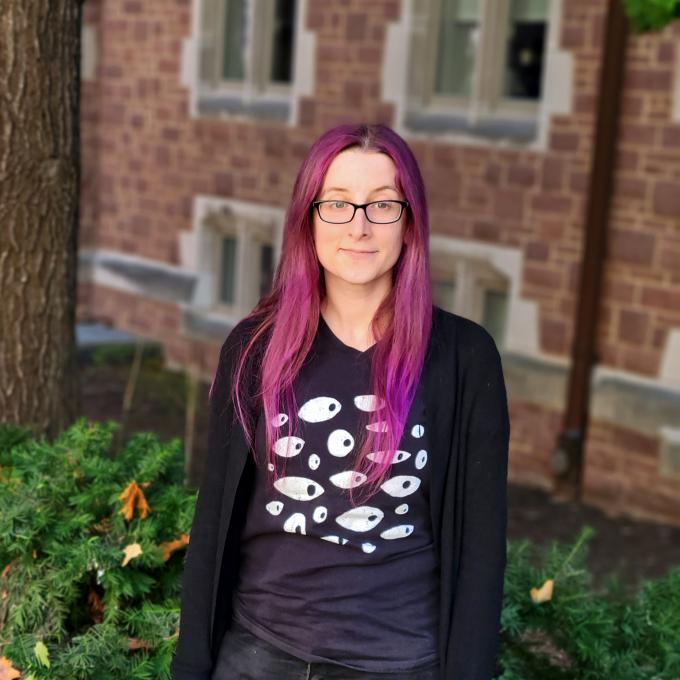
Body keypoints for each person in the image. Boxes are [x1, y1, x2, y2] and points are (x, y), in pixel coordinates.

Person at [170, 123, 510, 680]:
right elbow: (213, 522)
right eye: (338, 204)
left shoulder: (464, 358)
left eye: (382, 205)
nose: (359, 227)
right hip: (258, 654)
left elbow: (480, 549)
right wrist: (191, 667)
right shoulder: (256, 346)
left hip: (396, 663)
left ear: (410, 222)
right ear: (309, 217)